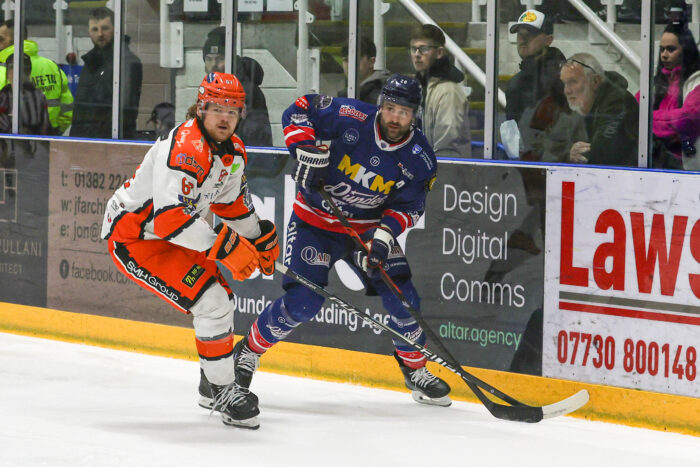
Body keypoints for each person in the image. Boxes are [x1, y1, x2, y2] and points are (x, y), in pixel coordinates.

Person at [231, 74, 452, 408]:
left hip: (367, 231)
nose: (395, 117)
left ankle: (414, 368)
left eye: (403, 112)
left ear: (414, 115)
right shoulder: (350, 116)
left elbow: (409, 207)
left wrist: (382, 239)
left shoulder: (419, 158)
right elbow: (299, 109)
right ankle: (248, 351)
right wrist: (304, 148)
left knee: (404, 300)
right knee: (303, 303)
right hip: (313, 223)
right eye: (390, 108)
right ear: (381, 105)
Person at [101, 71, 281, 429]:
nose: (225, 118)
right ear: (201, 108)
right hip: (137, 239)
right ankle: (223, 390)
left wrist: (256, 237)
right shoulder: (185, 147)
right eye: (217, 109)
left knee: (221, 301)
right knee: (212, 303)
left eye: (233, 111)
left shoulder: (232, 152)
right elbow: (169, 220)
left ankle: (211, 384)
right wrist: (226, 248)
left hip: (177, 234)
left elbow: (232, 205)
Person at [505, 9, 586, 162]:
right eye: (520, 34)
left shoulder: (563, 77)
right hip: (533, 162)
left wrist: (564, 154)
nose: (523, 40)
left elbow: (575, 124)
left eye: (531, 35)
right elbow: (516, 134)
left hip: (563, 165)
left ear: (548, 40)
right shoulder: (517, 82)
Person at [70, 7, 142, 139]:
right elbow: (80, 111)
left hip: (109, 142)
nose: (100, 34)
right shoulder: (91, 63)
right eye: (94, 29)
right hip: (84, 141)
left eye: (105, 28)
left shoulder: (126, 62)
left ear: (116, 29)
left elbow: (126, 112)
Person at [559, 53, 638, 166]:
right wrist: (567, 152)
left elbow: (600, 153)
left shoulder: (619, 102)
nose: (566, 91)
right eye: (564, 83)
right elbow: (547, 143)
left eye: (573, 82)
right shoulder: (581, 103)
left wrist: (566, 153)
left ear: (595, 82)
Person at [642, 23, 700, 170]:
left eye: (671, 49)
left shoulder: (697, 81)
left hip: (688, 169)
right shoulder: (656, 82)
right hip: (654, 163)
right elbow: (633, 109)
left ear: (686, 50)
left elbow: (686, 120)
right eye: (662, 49)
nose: (664, 55)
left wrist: (647, 118)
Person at [202, 26, 272, 147]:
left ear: (230, 60)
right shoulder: (212, 89)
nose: (214, 64)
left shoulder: (246, 91)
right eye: (209, 59)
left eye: (220, 59)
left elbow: (255, 138)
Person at [0, 19, 73, 135]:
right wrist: (55, 133)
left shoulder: (3, 69)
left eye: (1, 39)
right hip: (47, 136)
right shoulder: (52, 66)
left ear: (16, 40)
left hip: (10, 140)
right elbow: (67, 109)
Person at [409, 24, 471, 158]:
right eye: (414, 49)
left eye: (424, 49)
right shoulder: (419, 86)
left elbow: (446, 149)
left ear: (439, 53)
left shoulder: (449, 92)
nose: (417, 54)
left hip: (447, 169)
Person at [0, 53, 51, 135]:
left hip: (34, 138)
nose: (16, 72)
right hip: (11, 140)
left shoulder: (38, 94)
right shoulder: (5, 94)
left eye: (24, 68)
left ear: (29, 72)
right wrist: (12, 130)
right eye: (12, 67)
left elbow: (45, 123)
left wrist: (40, 136)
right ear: (7, 72)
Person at [338, 36, 391, 105]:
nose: (349, 65)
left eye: (355, 60)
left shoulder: (385, 94)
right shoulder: (347, 93)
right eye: (346, 60)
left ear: (371, 62)